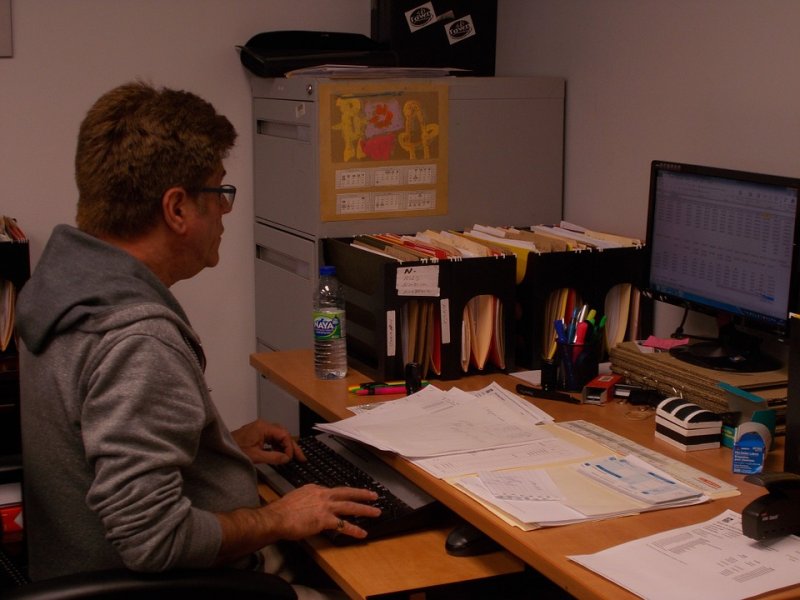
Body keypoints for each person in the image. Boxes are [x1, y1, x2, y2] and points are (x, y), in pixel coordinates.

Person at [15, 81, 379, 595]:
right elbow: (154, 540)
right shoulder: (137, 340)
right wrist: (279, 518)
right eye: (219, 193)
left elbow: (98, 440)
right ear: (178, 209)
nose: (225, 213)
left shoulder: (63, 288)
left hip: (74, 566)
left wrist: (215, 450)